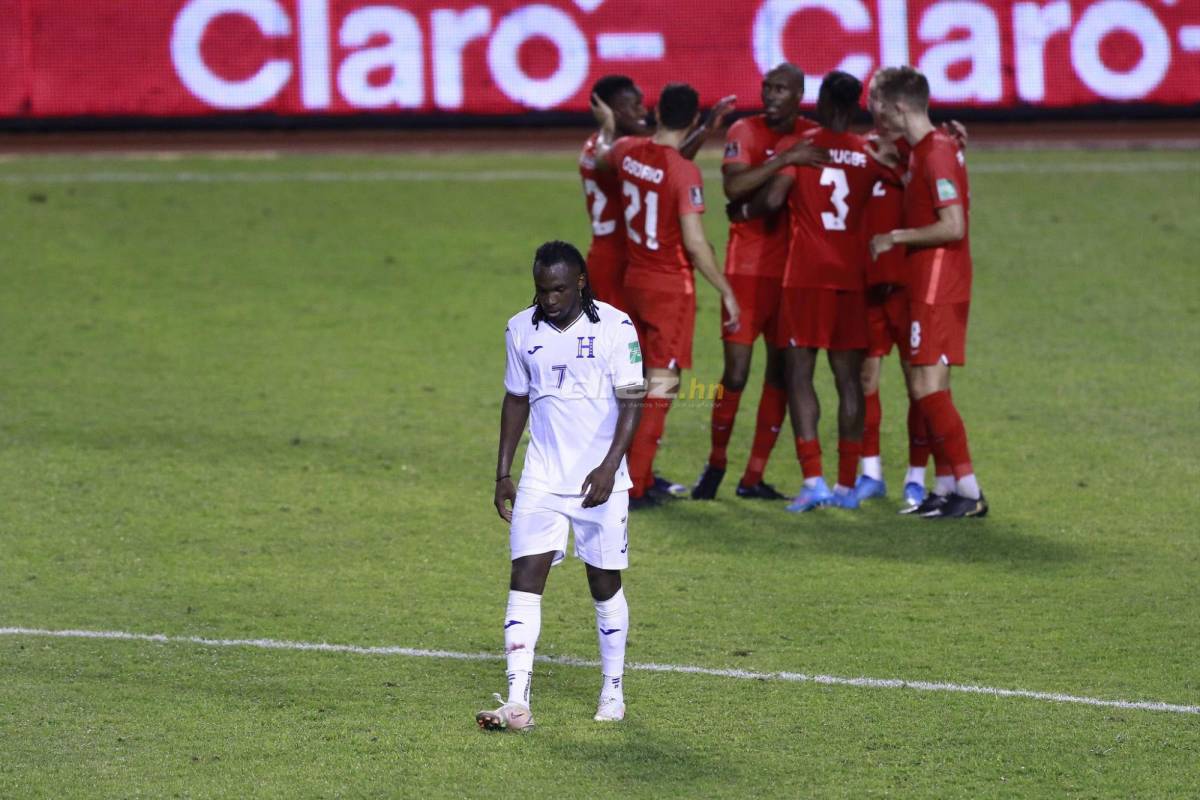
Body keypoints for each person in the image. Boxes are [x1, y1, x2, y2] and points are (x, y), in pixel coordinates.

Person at [478, 241, 645, 732]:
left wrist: (610, 466)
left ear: (579, 282)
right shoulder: (519, 328)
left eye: (556, 290)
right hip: (542, 479)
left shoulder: (616, 327)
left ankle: (612, 691)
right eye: (539, 289)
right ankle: (516, 700)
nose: (548, 300)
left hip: (599, 480)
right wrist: (503, 472)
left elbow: (634, 399)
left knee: (604, 583)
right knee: (524, 579)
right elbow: (515, 399)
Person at [739, 71, 899, 511]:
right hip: (851, 278)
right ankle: (849, 486)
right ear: (856, 105)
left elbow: (770, 203)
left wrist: (743, 208)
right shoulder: (868, 155)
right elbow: (902, 181)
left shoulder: (805, 149)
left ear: (823, 99)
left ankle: (815, 480)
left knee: (799, 376)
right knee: (849, 380)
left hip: (805, 278)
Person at [578, 76, 733, 495]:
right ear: (604, 109)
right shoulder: (609, 148)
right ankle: (631, 477)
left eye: (642, 106)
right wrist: (726, 290)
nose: (639, 114)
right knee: (640, 380)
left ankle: (633, 470)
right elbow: (670, 173)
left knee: (638, 377)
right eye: (627, 108)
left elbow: (662, 167)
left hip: (633, 269)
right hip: (625, 270)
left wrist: (701, 131)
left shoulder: (628, 151)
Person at [692, 63, 830, 501]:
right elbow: (734, 188)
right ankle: (715, 463)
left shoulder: (814, 133)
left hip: (793, 273)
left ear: (799, 94)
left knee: (782, 374)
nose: (770, 95)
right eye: (767, 87)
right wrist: (786, 160)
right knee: (735, 372)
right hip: (745, 269)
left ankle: (753, 477)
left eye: (781, 89)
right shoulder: (744, 131)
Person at [868, 66, 988, 518]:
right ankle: (945, 487)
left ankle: (970, 490)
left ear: (899, 106)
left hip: (939, 282)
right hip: (933, 279)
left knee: (926, 387)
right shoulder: (928, 148)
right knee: (930, 387)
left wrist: (895, 237)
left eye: (877, 102)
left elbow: (953, 224)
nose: (873, 110)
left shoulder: (935, 152)